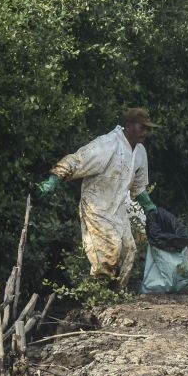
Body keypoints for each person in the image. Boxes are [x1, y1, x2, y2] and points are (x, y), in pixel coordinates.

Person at [35, 108, 159, 288]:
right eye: (142, 127)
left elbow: (138, 186)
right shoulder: (108, 144)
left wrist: (150, 208)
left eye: (148, 129)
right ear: (129, 125)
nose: (145, 132)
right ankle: (98, 295)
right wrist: (52, 181)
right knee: (108, 253)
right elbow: (77, 160)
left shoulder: (140, 152)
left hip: (118, 208)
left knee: (128, 251)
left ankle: (117, 295)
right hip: (96, 207)